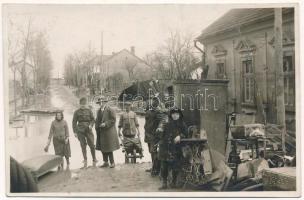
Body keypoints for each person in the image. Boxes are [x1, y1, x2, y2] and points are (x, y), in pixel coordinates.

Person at [158, 107, 187, 190]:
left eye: (177, 114)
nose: (175, 115)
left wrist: (180, 136)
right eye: (173, 114)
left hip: (176, 148)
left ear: (179, 115)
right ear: (171, 115)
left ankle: (173, 182)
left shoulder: (182, 124)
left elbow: (186, 133)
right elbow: (160, 132)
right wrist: (159, 130)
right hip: (165, 147)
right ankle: (164, 183)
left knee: (175, 165)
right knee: (164, 166)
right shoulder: (166, 123)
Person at [144, 97, 167, 176]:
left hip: (154, 135)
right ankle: (154, 167)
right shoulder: (148, 110)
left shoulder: (158, 111)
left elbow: (163, 120)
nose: (152, 103)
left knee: (154, 152)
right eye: (151, 101)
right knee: (151, 151)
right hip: (148, 134)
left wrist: (160, 127)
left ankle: (156, 169)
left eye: (154, 101)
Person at [72, 97, 97, 168]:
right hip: (80, 130)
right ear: (79, 104)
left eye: (84, 104)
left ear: (86, 104)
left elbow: (93, 120)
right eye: (81, 104)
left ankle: (94, 158)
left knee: (92, 144)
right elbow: (74, 122)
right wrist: (75, 132)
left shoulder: (89, 111)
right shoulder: (76, 112)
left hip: (88, 130)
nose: (83, 106)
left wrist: (91, 125)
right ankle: (85, 159)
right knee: (83, 145)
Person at [95, 97, 120, 168]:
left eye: (103, 102)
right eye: (100, 102)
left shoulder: (110, 110)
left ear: (105, 102)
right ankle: (105, 162)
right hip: (100, 131)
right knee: (102, 147)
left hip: (108, 132)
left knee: (109, 148)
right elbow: (97, 120)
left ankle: (112, 162)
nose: (101, 104)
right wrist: (96, 127)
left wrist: (105, 124)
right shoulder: (98, 111)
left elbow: (113, 120)